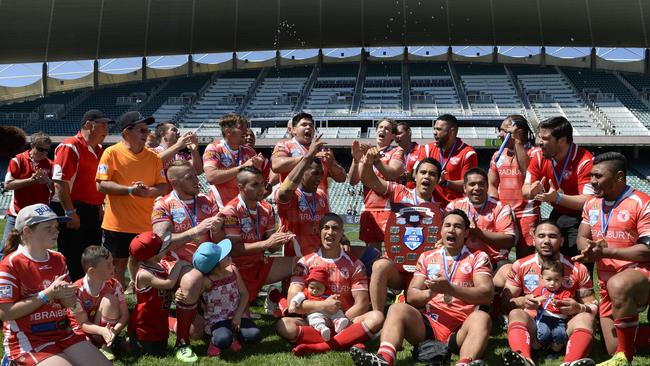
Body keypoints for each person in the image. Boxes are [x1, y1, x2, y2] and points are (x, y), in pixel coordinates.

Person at [350, 210, 494, 366]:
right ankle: (384, 358)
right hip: (429, 326)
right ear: (441, 230)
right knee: (397, 308)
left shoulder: (479, 257)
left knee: (482, 318)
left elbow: (486, 294)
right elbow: (412, 295)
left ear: (466, 233)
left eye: (458, 226)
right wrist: (431, 292)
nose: (452, 230)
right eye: (447, 225)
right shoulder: (427, 257)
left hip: (461, 329)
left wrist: (450, 289)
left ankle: (464, 363)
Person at [0, 203, 112, 366]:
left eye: (56, 226)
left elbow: (70, 305)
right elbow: (6, 313)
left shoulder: (58, 258)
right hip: (28, 339)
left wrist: (68, 297)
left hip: (63, 333)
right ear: (27, 232)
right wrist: (47, 294)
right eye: (48, 228)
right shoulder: (10, 264)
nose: (56, 231)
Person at [574, 152, 650, 366]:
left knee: (619, 284)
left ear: (618, 177)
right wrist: (587, 248)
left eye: (598, 176)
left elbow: (647, 250)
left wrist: (607, 252)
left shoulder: (641, 203)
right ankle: (624, 348)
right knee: (611, 347)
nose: (592, 181)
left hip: (640, 275)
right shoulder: (591, 204)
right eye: (591, 176)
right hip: (607, 282)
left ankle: (624, 359)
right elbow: (582, 235)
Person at [276, 213, 384, 356]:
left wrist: (340, 318)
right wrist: (323, 306)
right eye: (326, 228)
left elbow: (362, 304)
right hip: (313, 320)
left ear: (342, 234)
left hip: (345, 320)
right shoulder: (304, 263)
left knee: (377, 317)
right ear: (319, 232)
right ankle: (349, 340)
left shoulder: (355, 264)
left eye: (335, 228)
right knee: (284, 326)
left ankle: (321, 346)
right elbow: (292, 303)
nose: (330, 232)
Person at [151, 159, 223, 362]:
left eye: (195, 175)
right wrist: (195, 231)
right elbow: (162, 243)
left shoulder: (207, 201)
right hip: (176, 263)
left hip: (207, 263)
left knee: (198, 331)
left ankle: (230, 324)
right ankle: (182, 343)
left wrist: (217, 231)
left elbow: (219, 240)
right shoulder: (163, 204)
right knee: (192, 280)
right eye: (189, 177)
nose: (196, 180)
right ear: (173, 181)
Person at [501, 220, 597, 366]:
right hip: (534, 328)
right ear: (533, 240)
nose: (546, 241)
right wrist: (521, 301)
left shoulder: (578, 269)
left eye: (552, 236)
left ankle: (569, 362)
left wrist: (579, 307)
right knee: (515, 313)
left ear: (562, 240)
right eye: (541, 236)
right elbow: (505, 301)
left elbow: (593, 305)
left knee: (586, 317)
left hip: (566, 327)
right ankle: (525, 360)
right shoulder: (520, 265)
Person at [358, 152, 444, 312]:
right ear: (415, 176)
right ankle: (377, 315)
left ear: (438, 180)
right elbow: (370, 180)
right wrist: (369, 162)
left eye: (432, 174)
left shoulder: (443, 208)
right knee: (379, 266)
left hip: (422, 272)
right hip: (396, 267)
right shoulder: (398, 191)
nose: (427, 177)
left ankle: (417, 306)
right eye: (423, 172)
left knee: (414, 304)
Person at [96, 111, 167, 288]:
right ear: (127, 132)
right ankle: (119, 301)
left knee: (145, 263)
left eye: (147, 130)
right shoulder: (111, 153)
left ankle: (140, 295)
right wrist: (130, 190)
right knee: (117, 265)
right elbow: (101, 185)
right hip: (117, 224)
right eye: (142, 130)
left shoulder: (154, 158)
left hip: (145, 223)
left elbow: (163, 186)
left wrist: (150, 192)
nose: (147, 134)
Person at [220, 166, 297, 306]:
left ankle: (283, 303)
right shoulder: (231, 211)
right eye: (255, 184)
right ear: (241, 187)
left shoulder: (266, 208)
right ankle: (277, 300)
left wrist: (280, 239)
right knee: (241, 321)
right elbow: (234, 250)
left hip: (260, 264)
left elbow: (272, 249)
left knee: (302, 264)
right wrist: (267, 243)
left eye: (262, 183)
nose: (261, 188)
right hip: (238, 269)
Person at [52, 109, 114, 281]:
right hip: (74, 208)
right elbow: (60, 183)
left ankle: (89, 294)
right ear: (88, 124)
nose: (106, 130)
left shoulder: (100, 150)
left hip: (92, 210)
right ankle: (71, 296)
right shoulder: (70, 146)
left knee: (91, 257)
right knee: (73, 257)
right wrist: (70, 212)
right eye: (103, 125)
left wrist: (99, 206)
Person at [522, 116, 594, 258]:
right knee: (549, 261)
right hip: (558, 212)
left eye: (545, 138)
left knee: (577, 262)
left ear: (562, 140)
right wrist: (531, 191)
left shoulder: (584, 160)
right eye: (539, 137)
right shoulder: (538, 156)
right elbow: (525, 189)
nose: (539, 142)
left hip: (582, 217)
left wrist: (558, 198)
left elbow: (588, 202)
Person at [446, 168, 515, 289]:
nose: (477, 188)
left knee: (510, 272)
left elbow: (508, 240)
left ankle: (489, 299)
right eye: (472, 184)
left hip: (493, 262)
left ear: (487, 187)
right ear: (464, 188)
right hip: (461, 260)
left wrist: (478, 233)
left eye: (481, 184)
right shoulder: (454, 206)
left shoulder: (500, 207)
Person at [193, 240, 262, 357]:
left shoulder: (233, 271)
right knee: (223, 340)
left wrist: (238, 316)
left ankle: (234, 336)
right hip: (217, 320)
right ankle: (216, 342)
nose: (228, 255)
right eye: (224, 255)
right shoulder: (206, 282)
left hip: (237, 316)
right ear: (216, 265)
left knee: (255, 335)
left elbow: (244, 294)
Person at [488, 115, 540, 258]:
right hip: (504, 213)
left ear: (519, 132)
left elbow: (528, 172)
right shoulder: (497, 155)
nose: (500, 134)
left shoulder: (535, 152)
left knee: (524, 258)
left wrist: (517, 142)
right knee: (499, 256)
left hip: (527, 213)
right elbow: (492, 184)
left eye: (505, 131)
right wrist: (496, 209)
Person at [349, 118, 405, 250]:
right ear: (375, 131)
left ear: (392, 136)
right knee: (371, 253)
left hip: (390, 208)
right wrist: (356, 160)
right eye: (380, 127)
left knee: (393, 251)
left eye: (387, 129)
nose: (382, 130)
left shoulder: (396, 151)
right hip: (369, 209)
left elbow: (392, 174)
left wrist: (375, 160)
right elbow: (353, 181)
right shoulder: (365, 153)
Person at [128, 231, 185, 357]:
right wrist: (179, 264)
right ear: (152, 255)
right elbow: (169, 283)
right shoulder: (144, 274)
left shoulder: (159, 266)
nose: (166, 249)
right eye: (163, 248)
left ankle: (171, 324)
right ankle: (122, 342)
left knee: (161, 351)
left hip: (159, 322)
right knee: (147, 353)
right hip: (145, 326)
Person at [69, 246, 129, 361]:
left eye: (112, 263)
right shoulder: (76, 291)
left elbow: (125, 316)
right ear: (92, 271)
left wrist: (113, 331)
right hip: (84, 330)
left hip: (106, 330)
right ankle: (109, 344)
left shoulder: (114, 285)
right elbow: (82, 323)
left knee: (110, 300)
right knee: (84, 344)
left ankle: (106, 343)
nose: (113, 267)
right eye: (108, 265)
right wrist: (101, 331)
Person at [275, 135, 330, 257]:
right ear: (302, 172)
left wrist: (343, 239)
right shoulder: (291, 194)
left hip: (320, 258)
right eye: (315, 173)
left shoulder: (321, 196)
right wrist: (308, 156)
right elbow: (285, 191)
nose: (319, 178)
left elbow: (328, 223)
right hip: (296, 260)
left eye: (321, 174)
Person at [2, 132, 53, 256]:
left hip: (39, 216)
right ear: (32, 146)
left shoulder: (50, 164)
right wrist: (31, 181)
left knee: (37, 250)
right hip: (17, 214)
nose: (44, 153)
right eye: (40, 149)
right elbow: (8, 184)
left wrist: (47, 181)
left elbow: (56, 189)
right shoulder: (18, 160)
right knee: (8, 249)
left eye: (47, 150)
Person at [271, 112, 347, 193]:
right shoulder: (285, 145)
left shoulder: (322, 150)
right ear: (294, 130)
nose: (308, 127)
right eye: (304, 125)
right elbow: (276, 165)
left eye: (311, 125)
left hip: (319, 202)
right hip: (294, 202)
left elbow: (342, 178)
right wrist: (309, 156)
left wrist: (332, 165)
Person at [203, 114, 265, 208]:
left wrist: (257, 168)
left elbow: (256, 183)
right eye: (241, 128)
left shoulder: (249, 151)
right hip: (221, 207)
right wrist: (243, 167)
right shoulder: (214, 148)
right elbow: (211, 177)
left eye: (246, 127)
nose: (246, 131)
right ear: (228, 132)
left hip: (244, 208)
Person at [421, 114, 478, 206]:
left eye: (439, 129)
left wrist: (446, 183)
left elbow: (469, 184)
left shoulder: (468, 153)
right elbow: (416, 174)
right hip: (431, 204)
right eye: (434, 129)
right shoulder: (427, 149)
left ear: (452, 131)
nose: (435, 132)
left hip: (456, 206)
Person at [288, 266, 350, 341]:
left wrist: (336, 301)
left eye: (318, 288)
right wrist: (293, 305)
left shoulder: (328, 293)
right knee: (314, 319)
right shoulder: (306, 293)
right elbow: (297, 298)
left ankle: (338, 322)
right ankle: (322, 328)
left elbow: (335, 302)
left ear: (324, 288)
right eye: (312, 287)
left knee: (338, 312)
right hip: (315, 312)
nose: (314, 291)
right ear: (308, 286)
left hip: (329, 311)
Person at [533, 259, 572, 353]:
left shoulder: (565, 292)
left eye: (556, 280)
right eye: (548, 279)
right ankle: (540, 348)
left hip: (560, 319)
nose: (552, 283)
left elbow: (566, 303)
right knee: (544, 334)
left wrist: (559, 303)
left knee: (560, 334)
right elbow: (534, 299)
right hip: (544, 317)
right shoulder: (540, 290)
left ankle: (553, 351)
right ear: (542, 278)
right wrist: (537, 300)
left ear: (562, 279)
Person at [394, 121, 423, 187]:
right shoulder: (393, 153)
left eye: (399, 133)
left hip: (415, 194)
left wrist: (412, 176)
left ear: (409, 132)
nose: (396, 136)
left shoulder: (422, 150)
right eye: (395, 134)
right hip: (398, 193)